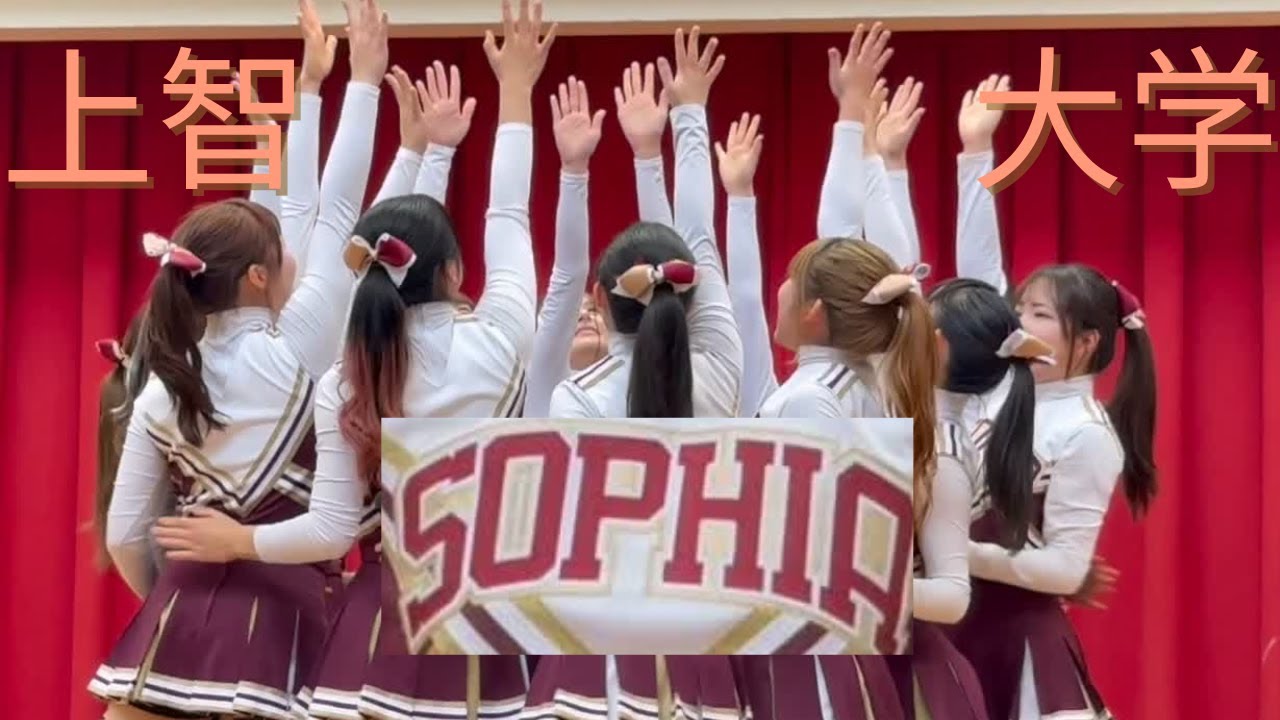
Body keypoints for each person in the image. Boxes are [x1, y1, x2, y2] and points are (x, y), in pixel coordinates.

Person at [151, 2, 549, 718]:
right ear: (457, 274)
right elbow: (508, 218)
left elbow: (333, 529)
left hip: (377, 625)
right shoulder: (502, 340)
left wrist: (238, 538)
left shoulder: (346, 374)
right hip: (485, 617)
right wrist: (512, 94)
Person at [87, 0, 386, 716]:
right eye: (279, 257)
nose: (294, 254)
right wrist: (363, 81)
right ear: (258, 277)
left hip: (170, 640)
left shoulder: (164, 384)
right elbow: (337, 211)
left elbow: (127, 534)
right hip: (287, 639)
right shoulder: (298, 352)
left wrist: (184, 588)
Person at [950, 76, 1157, 720]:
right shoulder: (996, 388)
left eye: (1037, 313)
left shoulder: (1089, 432)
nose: (1016, 321)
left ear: (1087, 340)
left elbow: (1066, 573)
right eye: (1020, 309)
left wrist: (951, 552)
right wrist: (975, 156)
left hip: (1021, 650)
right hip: (953, 634)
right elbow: (979, 276)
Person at [547, 26, 743, 421]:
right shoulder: (721, 364)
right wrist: (684, 118)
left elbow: (690, 240)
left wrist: (645, 151)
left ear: (600, 298)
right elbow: (697, 235)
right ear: (690, 285)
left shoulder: (577, 398)